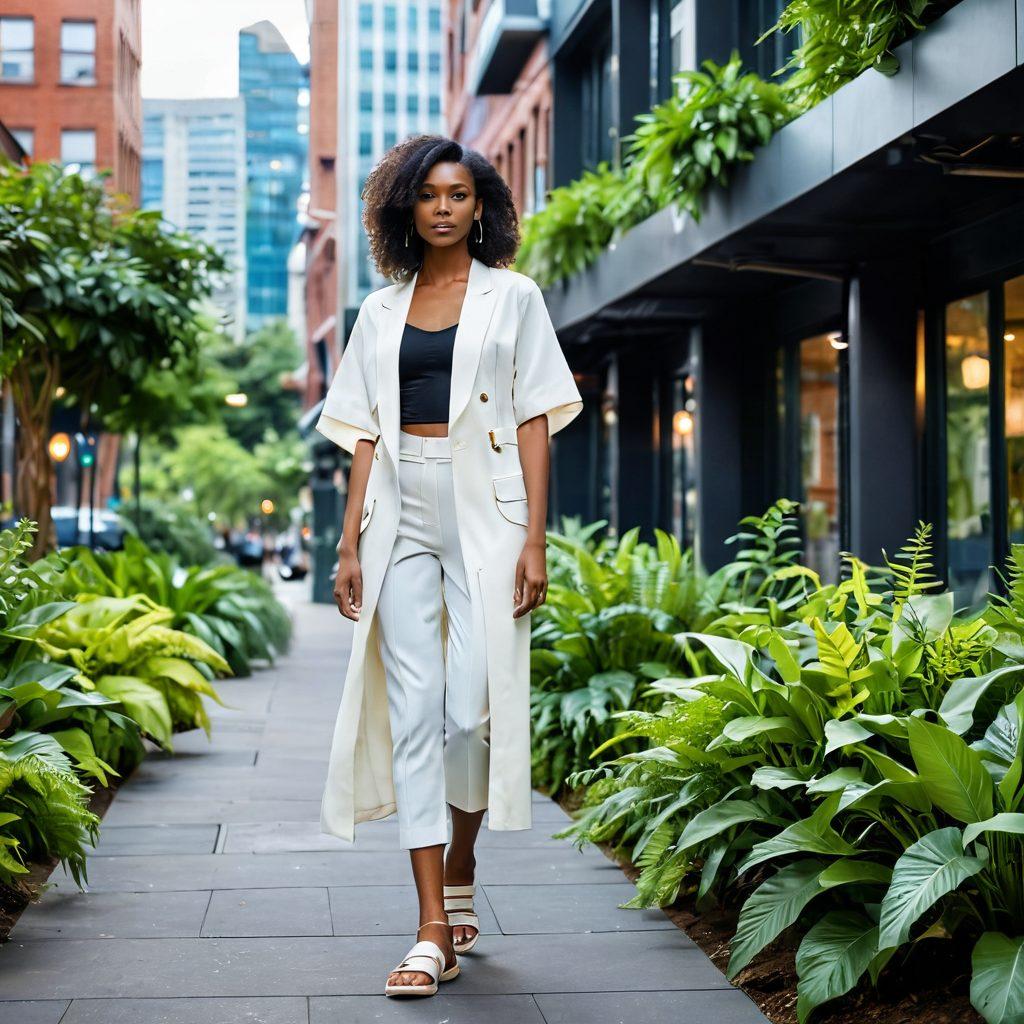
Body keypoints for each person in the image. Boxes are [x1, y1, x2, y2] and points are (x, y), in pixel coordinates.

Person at [315, 134, 584, 998]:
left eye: (458, 194)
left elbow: (535, 416)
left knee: (471, 714)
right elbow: (363, 430)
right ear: (407, 208)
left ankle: (462, 863)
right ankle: (431, 927)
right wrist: (349, 541)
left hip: (489, 512)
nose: (443, 207)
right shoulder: (378, 310)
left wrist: (535, 537)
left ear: (480, 207)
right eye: (429, 194)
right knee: (414, 710)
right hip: (399, 510)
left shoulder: (515, 297)